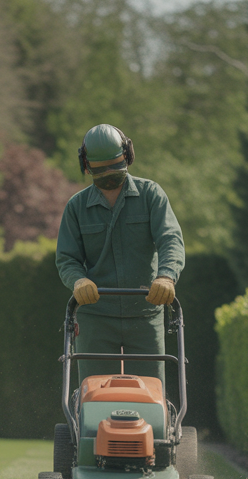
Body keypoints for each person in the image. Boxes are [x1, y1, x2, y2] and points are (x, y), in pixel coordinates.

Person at [55, 124, 185, 387]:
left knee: (150, 389)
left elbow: (171, 239)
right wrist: (78, 281)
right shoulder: (77, 207)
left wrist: (167, 276)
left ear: (128, 156)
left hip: (145, 312)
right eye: (101, 169)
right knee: (94, 390)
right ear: (87, 165)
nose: (109, 175)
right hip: (96, 314)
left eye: (115, 166)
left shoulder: (151, 196)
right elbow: (67, 258)